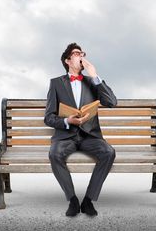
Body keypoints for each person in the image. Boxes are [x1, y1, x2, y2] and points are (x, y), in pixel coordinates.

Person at [44, 42, 117, 217]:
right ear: (68, 60)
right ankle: (72, 200)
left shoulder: (93, 82)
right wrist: (67, 121)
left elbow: (112, 102)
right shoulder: (56, 83)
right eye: (77, 54)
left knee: (109, 152)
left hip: (89, 136)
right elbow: (48, 117)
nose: (81, 56)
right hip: (66, 136)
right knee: (54, 154)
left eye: (82, 53)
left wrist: (96, 76)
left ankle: (88, 200)